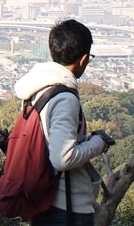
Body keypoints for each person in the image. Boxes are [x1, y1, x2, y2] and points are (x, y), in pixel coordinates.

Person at [13, 20, 109, 226]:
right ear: (84, 59)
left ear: (52, 51)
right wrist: (98, 143)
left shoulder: (37, 89)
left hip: (42, 197)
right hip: (67, 206)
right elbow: (63, 158)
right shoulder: (64, 98)